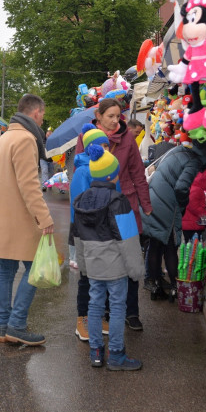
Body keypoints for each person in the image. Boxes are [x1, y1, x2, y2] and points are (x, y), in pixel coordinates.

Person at [0, 94, 54, 346]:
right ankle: (17, 324)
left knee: (6, 272)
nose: (43, 118)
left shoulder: (5, 137)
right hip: (20, 219)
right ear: (35, 113)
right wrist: (45, 218)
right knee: (34, 270)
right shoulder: (26, 139)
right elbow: (30, 185)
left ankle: (4, 327)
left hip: (2, 217)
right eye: (42, 113)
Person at [75, 98, 152, 331]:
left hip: (124, 204)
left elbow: (138, 173)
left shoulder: (128, 137)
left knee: (128, 257)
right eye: (110, 115)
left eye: (118, 115)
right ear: (98, 116)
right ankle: (103, 312)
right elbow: (82, 169)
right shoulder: (85, 138)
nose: (114, 120)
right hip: (96, 208)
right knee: (101, 258)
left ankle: (131, 312)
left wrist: (145, 204)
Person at [72, 145, 145, 370]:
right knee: (117, 306)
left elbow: (77, 236)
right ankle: (116, 354)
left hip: (93, 264)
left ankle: (95, 352)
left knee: (94, 306)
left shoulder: (82, 199)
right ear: (113, 175)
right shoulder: (118, 201)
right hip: (115, 265)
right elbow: (129, 239)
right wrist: (137, 270)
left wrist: (83, 265)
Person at [143, 140, 206, 300]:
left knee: (155, 245)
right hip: (167, 203)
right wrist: (181, 206)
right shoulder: (193, 160)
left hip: (154, 198)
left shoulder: (179, 150)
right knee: (170, 246)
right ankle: (175, 286)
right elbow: (181, 188)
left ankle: (155, 286)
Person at [72, 125, 108, 341]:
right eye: (103, 145)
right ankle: (82, 320)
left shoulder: (107, 168)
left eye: (108, 145)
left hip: (104, 231)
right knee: (86, 276)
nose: (107, 149)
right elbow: (80, 204)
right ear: (92, 148)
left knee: (101, 275)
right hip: (86, 231)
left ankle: (95, 317)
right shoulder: (83, 171)